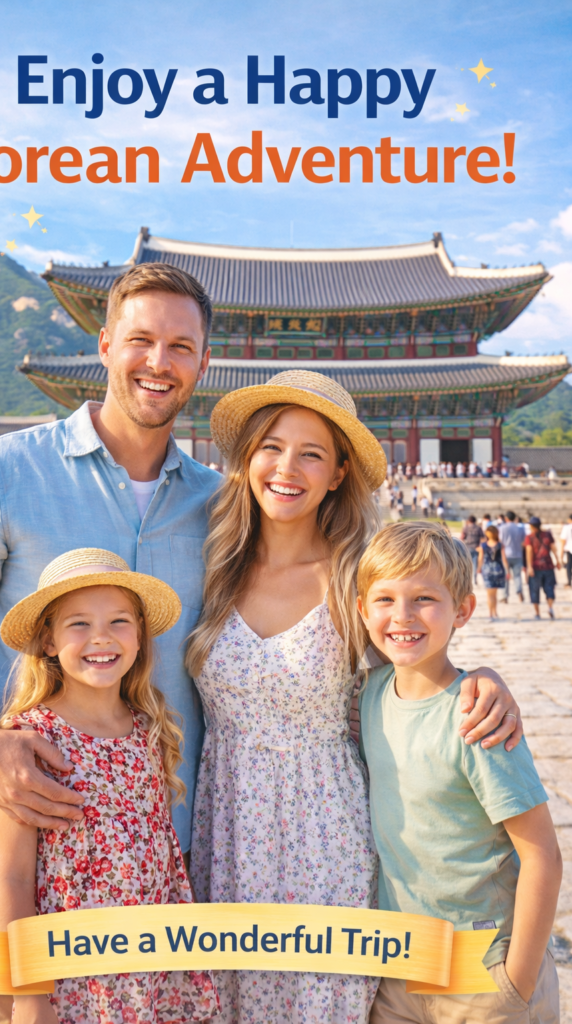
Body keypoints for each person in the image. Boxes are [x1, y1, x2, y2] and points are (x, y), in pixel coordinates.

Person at [0, 262, 220, 1024]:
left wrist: (457, 682)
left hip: (158, 850)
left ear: (203, 362)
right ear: (103, 345)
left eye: (180, 346)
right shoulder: (3, 471)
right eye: (140, 339)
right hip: (18, 832)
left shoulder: (219, 504)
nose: (159, 361)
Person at [185, 370, 523, 1024]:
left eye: (311, 453)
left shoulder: (355, 574)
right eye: (271, 447)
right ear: (248, 458)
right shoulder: (213, 563)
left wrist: (482, 675)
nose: (287, 468)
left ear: (338, 473)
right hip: (226, 832)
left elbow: (420, 648)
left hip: (326, 834)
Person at [0, 549, 219, 1024]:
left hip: (150, 964)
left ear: (139, 636)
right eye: (78, 624)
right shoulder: (30, 741)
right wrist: (28, 994)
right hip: (74, 971)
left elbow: (157, 854)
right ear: (48, 640)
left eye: (119, 621)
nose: (101, 637)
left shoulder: (149, 729)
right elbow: (11, 878)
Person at [357, 522, 561, 1024]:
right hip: (402, 961)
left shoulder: (478, 719)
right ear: (362, 610)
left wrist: (517, 983)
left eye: (424, 599)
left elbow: (542, 854)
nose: (402, 616)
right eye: (384, 599)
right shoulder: (368, 695)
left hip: (482, 965)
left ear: (463, 610)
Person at [524, 516, 560, 620]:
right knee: (549, 587)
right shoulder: (548, 535)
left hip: (535, 567)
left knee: (534, 590)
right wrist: (557, 561)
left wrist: (529, 567)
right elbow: (553, 548)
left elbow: (529, 552)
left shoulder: (529, 537)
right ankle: (550, 607)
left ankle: (537, 613)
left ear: (531, 526)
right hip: (548, 565)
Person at [478, 525, 509, 621]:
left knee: (489, 594)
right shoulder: (500, 545)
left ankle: (490, 613)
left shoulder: (483, 545)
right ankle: (494, 612)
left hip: (487, 571)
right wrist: (507, 571)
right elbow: (504, 558)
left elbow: (480, 558)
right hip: (498, 570)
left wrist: (478, 568)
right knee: (494, 594)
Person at [499, 511, 526, 603]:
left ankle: (505, 596)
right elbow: (523, 542)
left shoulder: (502, 528)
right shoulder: (520, 528)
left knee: (505, 575)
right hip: (518, 554)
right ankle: (519, 592)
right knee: (517, 576)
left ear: (506, 518)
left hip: (506, 554)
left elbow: (501, 542)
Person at [560, 513, 572, 589]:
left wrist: (561, 553)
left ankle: (569, 583)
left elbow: (563, 540)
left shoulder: (566, 527)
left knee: (569, 566)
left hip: (569, 549)